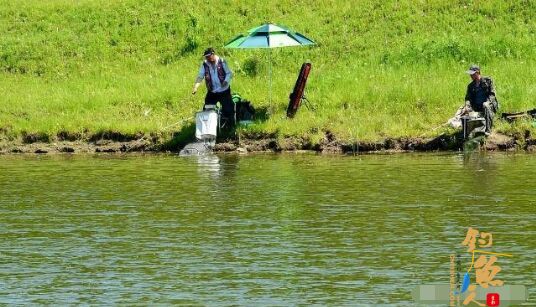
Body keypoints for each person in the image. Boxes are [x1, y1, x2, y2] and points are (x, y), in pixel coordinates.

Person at [448, 65, 498, 135]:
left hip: (488, 105)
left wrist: (487, 102)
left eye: (472, 74)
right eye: (470, 74)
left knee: (486, 105)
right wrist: (467, 106)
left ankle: (488, 130)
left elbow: (492, 94)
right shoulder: (470, 86)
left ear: (477, 72)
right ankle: (466, 132)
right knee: (463, 110)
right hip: (476, 106)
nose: (470, 76)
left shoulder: (488, 81)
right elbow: (468, 98)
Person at [192, 47, 235, 127]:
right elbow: (200, 76)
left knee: (228, 110)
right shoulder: (205, 64)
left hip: (224, 91)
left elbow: (229, 73)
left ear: (213, 54)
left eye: (208, 56)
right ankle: (208, 127)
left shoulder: (222, 61)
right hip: (212, 92)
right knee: (207, 110)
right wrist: (195, 87)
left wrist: (225, 81)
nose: (207, 58)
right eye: (206, 57)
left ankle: (229, 127)